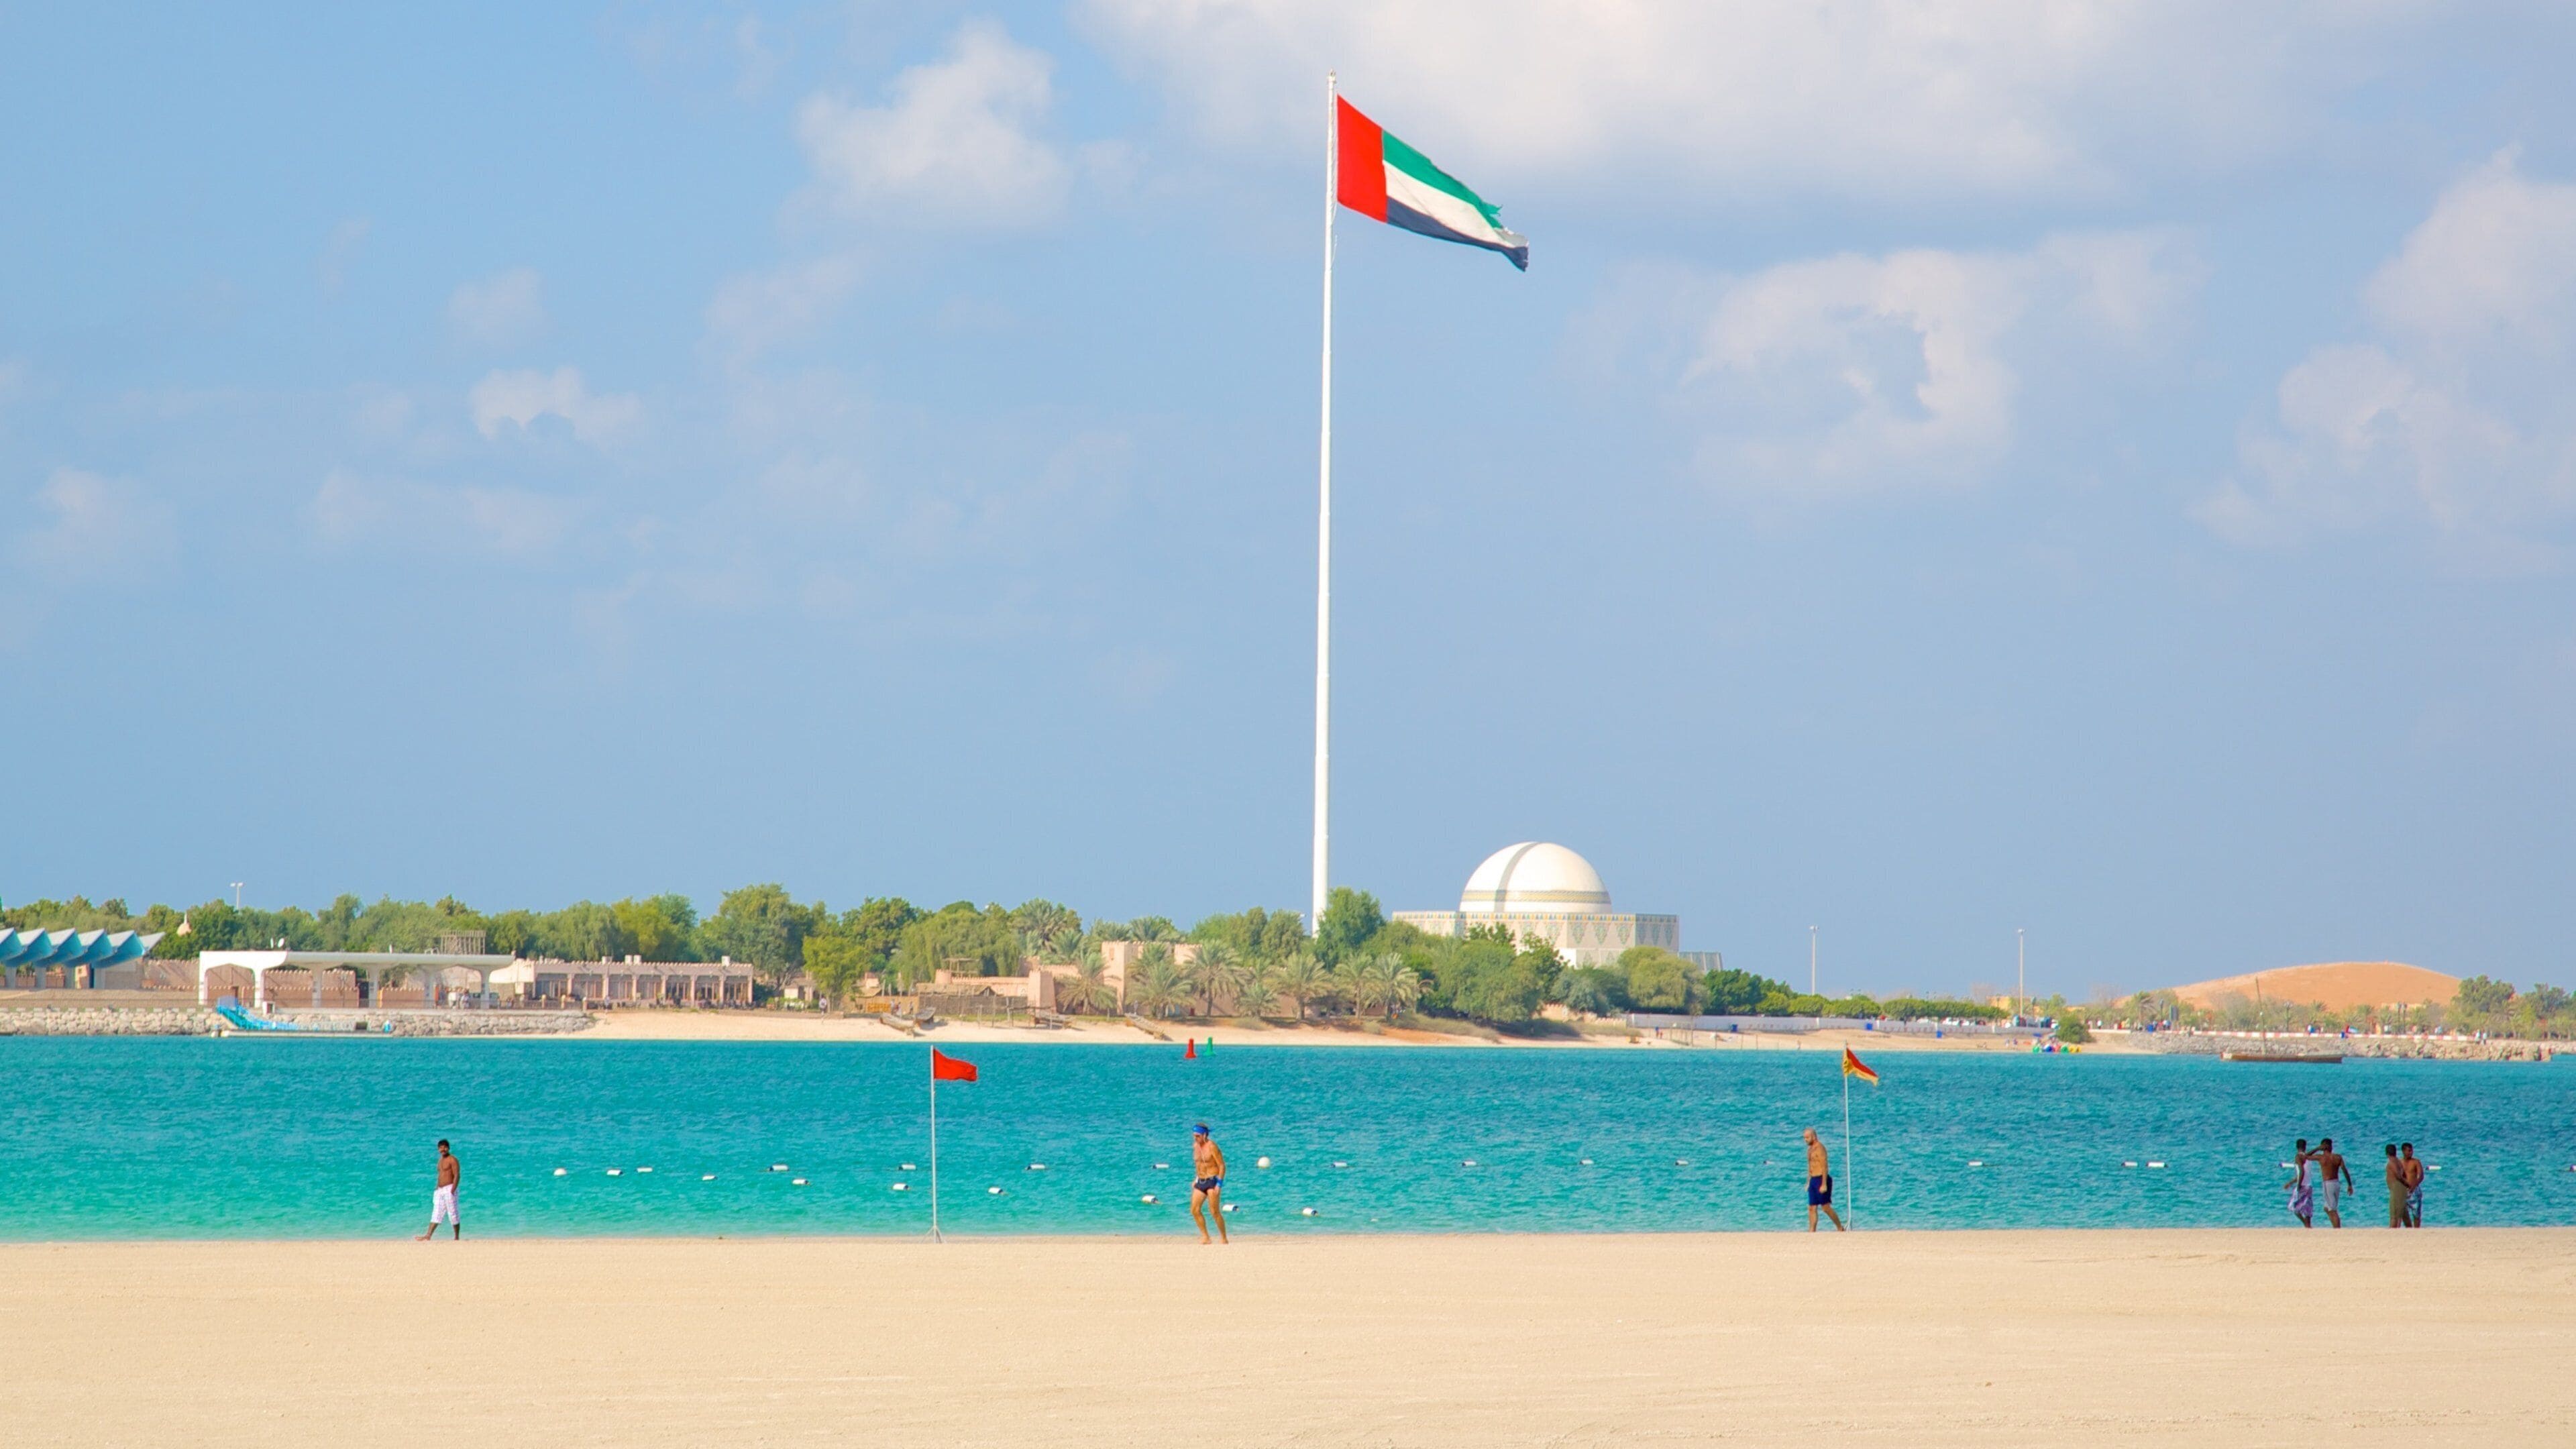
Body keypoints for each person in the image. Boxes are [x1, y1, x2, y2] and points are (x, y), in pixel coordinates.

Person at [1188, 1124, 1228, 1245]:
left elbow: (1222, 1166)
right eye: (1194, 1136)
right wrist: (1196, 1179)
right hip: (1200, 1182)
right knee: (1194, 1210)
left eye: (1198, 1136)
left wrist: (1219, 1184)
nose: (1196, 1138)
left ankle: (1224, 1238)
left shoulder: (1212, 1147)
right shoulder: (1196, 1146)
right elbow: (1199, 1164)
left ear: (1204, 1135)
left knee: (1214, 1212)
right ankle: (1206, 1237)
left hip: (1212, 1181)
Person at [417, 1139, 461, 1241]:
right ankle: (428, 1236)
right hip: (440, 1190)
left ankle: (456, 1237)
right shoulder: (440, 1161)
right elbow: (440, 1175)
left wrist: (453, 1190)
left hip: (450, 1188)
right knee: (436, 1213)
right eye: (441, 1148)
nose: (443, 1149)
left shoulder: (453, 1159)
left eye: (445, 1147)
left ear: (449, 1148)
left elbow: (457, 1175)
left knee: (453, 1213)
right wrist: (437, 1187)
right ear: (438, 1149)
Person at [1803, 1128, 1845, 1232]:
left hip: (1821, 1178)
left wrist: (1824, 1183)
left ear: (1814, 1136)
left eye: (1807, 1137)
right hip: (1813, 1179)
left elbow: (1824, 1166)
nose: (1806, 1140)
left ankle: (1840, 1227)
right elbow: (1810, 1167)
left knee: (1825, 1207)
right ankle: (1812, 1231)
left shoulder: (1820, 1148)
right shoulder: (1810, 1150)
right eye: (1804, 1138)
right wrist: (1808, 1182)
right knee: (1811, 1207)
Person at [2313, 1137, 2353, 1228]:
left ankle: (2337, 1230)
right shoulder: (2338, 1157)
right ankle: (2335, 1227)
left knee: (2332, 1210)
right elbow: (2345, 1171)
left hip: (2328, 1184)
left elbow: (2305, 1156)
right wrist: (2350, 1184)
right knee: (2327, 1208)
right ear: (2331, 1147)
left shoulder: (2321, 1157)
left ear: (2323, 1147)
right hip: (2336, 1183)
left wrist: (2317, 1149)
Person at [2286, 1138, 2314, 1228]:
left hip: (2302, 1185)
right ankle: (2308, 1226)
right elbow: (2301, 1174)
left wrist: (2298, 1186)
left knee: (2293, 1206)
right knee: (2307, 1208)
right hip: (2309, 1186)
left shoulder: (2298, 1157)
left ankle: (2306, 1224)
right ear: (2305, 1147)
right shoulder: (2308, 1158)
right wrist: (2290, 1183)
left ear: (2297, 1147)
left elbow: (2301, 1172)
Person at [2400, 1142, 2425, 1228]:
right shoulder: (2400, 1162)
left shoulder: (2416, 1162)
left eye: (2412, 1151)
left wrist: (2414, 1185)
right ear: (2403, 1151)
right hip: (2403, 1190)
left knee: (2416, 1214)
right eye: (2409, 1151)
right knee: (2403, 1213)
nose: (2411, 1153)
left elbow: (2421, 1176)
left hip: (2414, 1190)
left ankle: (2417, 1231)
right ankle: (2409, 1230)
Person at [2383, 1144, 2408, 1228]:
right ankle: (2401, 1230)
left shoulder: (2392, 1163)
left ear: (2387, 1153)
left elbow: (2398, 1176)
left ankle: (2392, 1232)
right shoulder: (2398, 1161)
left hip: (2396, 1188)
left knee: (2394, 1214)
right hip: (2400, 1188)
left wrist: (2408, 1184)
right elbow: (2402, 1173)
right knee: (2400, 1213)